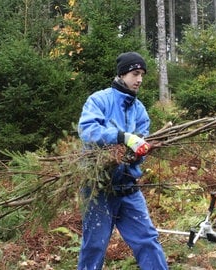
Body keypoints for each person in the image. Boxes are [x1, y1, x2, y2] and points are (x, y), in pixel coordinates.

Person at [77, 52, 168, 270]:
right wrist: (122, 137)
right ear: (122, 74)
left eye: (142, 75)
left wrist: (139, 153)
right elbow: (88, 130)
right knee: (94, 247)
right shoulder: (99, 100)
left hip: (128, 188)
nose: (139, 80)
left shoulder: (139, 110)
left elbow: (141, 145)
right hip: (98, 188)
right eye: (135, 73)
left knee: (147, 240)